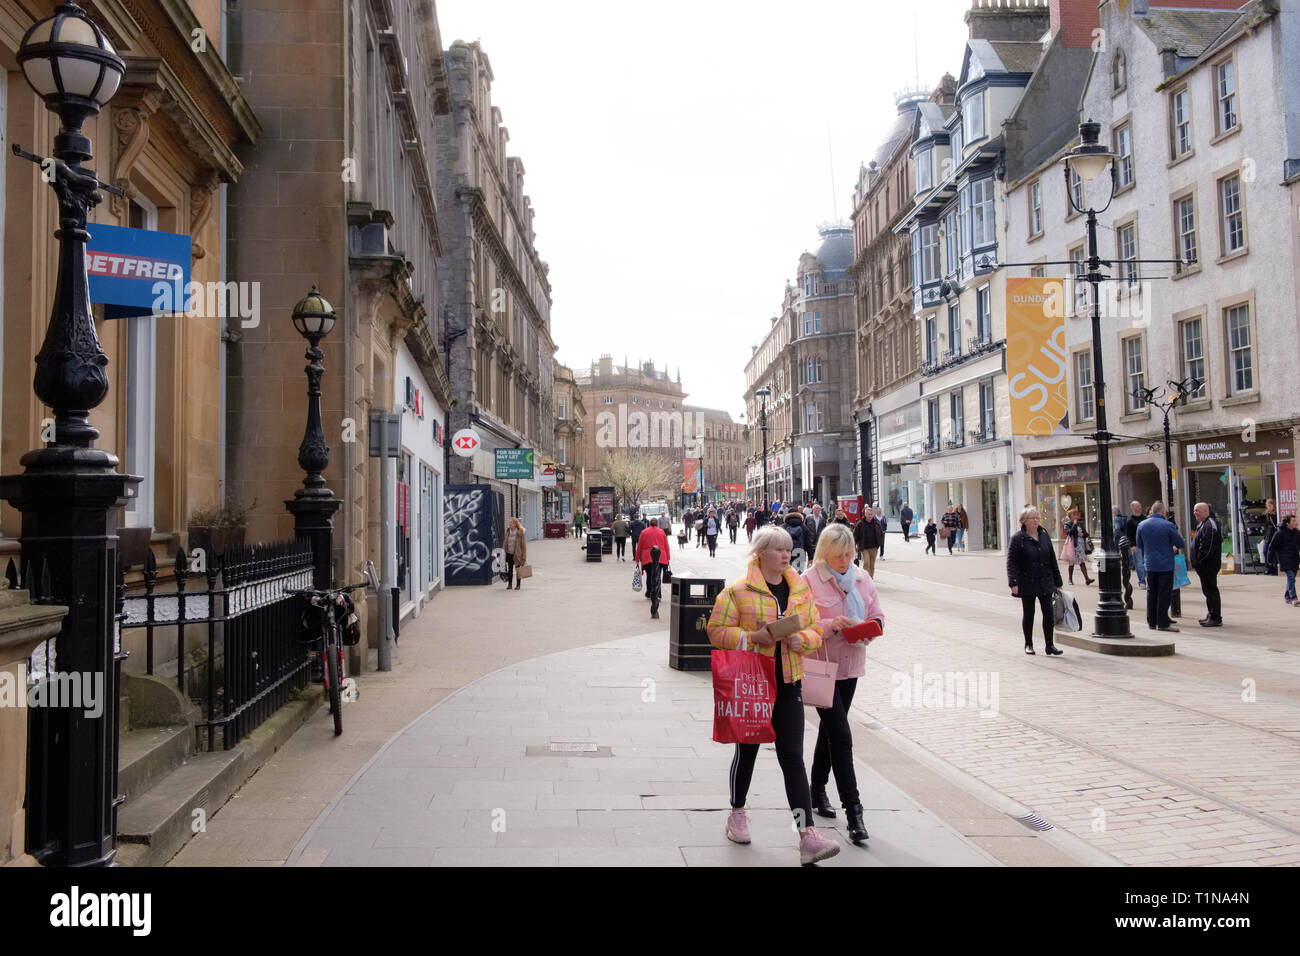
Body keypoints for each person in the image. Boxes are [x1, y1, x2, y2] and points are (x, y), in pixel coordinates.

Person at [707, 525, 839, 865]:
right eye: (778, 549)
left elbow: (814, 629)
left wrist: (802, 640)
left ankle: (805, 834)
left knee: (793, 759)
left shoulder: (800, 591)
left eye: (788, 549)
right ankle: (737, 812)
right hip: (753, 685)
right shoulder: (737, 592)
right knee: (747, 753)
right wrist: (754, 638)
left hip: (788, 684)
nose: (785, 554)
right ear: (760, 553)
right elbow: (716, 631)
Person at [802, 524, 883, 844]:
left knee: (831, 730)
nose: (844, 560)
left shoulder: (863, 579)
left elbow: (878, 614)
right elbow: (803, 625)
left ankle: (816, 788)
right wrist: (828, 625)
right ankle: (854, 812)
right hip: (821, 666)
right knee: (842, 735)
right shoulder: (808, 581)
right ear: (824, 553)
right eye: (838, 555)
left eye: (849, 554)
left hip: (851, 664)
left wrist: (871, 627)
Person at [1006, 507, 1064, 655]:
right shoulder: (1018, 538)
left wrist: (1058, 581)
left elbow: (1052, 559)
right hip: (1027, 580)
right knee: (1029, 613)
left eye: (1037, 517)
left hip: (1045, 580)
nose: (1036, 520)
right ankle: (1029, 643)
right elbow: (1011, 562)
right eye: (1033, 518)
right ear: (1024, 521)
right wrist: (1013, 582)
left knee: (1048, 614)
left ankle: (1049, 645)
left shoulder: (1044, 536)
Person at [1136, 501, 1186, 633]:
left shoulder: (1142, 525)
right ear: (1163, 512)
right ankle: (1162, 622)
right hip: (1165, 564)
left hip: (1150, 564)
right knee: (1164, 593)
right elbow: (1180, 543)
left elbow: (1139, 545)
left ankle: (1151, 621)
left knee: (1151, 592)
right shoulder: (1168, 525)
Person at [1190, 502, 1223, 627]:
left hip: (1208, 565)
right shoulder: (1203, 524)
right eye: (1194, 510)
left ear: (1206, 511)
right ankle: (1211, 614)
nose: (1195, 513)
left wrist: (1199, 560)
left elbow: (1208, 547)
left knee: (1211, 590)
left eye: (1197, 510)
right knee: (1207, 590)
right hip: (1203, 565)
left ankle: (1215, 617)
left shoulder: (1210, 525)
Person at [635, 517, 671, 619]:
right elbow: (666, 545)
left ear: (650, 523)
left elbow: (640, 546)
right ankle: (658, 593)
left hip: (647, 556)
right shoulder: (661, 532)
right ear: (657, 524)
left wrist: (637, 558)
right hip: (660, 556)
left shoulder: (644, 532)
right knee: (657, 575)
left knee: (650, 575)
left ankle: (650, 592)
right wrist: (668, 557)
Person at [1266, 514, 1300, 604]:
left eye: (1295, 520)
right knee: (1291, 577)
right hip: (1285, 559)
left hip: (1295, 559)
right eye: (1293, 521)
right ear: (1287, 523)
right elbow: (1272, 547)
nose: (1295, 522)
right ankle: (1294, 598)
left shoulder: (1297, 533)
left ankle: (1287, 596)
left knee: (1291, 579)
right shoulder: (1280, 533)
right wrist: (1269, 560)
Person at [1061, 506, 1094, 586]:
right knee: (1071, 563)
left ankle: (1087, 579)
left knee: (1082, 562)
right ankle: (1070, 579)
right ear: (1070, 516)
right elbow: (1069, 533)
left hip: (1080, 546)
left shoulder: (1080, 524)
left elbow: (1086, 533)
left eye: (1076, 515)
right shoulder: (1067, 524)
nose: (1076, 516)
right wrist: (1074, 525)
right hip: (1072, 546)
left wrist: (1083, 534)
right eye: (1074, 515)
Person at [1123, 500, 1146, 591]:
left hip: (1146, 544)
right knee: (1139, 564)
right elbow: (1129, 534)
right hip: (1137, 545)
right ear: (1133, 508)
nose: (1140, 507)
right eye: (1138, 506)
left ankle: (1149, 580)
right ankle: (1142, 581)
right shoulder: (1130, 521)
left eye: (1140, 505)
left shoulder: (1144, 518)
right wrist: (1132, 545)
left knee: (1146, 563)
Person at [853, 508, 882, 575]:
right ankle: (865, 579)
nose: (870, 516)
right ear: (865, 514)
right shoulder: (860, 524)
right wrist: (855, 546)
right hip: (864, 548)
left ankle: (870, 579)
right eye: (868, 514)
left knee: (872, 565)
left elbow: (881, 534)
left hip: (874, 548)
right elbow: (855, 536)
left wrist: (879, 544)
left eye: (871, 514)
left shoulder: (876, 523)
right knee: (866, 563)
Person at [503, 516, 528, 590]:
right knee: (510, 570)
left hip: (517, 554)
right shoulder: (508, 531)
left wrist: (524, 556)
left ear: (515, 524)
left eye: (511, 522)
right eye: (509, 523)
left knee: (518, 570)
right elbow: (505, 542)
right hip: (509, 554)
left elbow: (523, 545)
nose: (510, 524)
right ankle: (509, 584)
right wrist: (503, 550)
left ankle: (518, 585)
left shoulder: (520, 532)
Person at [1263, 499, 1280, 576]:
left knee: (1273, 551)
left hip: (1274, 534)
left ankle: (1274, 568)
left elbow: (1276, 525)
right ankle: (1268, 567)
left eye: (1270, 505)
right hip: (1267, 535)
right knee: (1265, 551)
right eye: (1268, 506)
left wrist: (1272, 516)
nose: (1269, 507)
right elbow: (1266, 526)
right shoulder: (1266, 515)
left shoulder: (1275, 515)